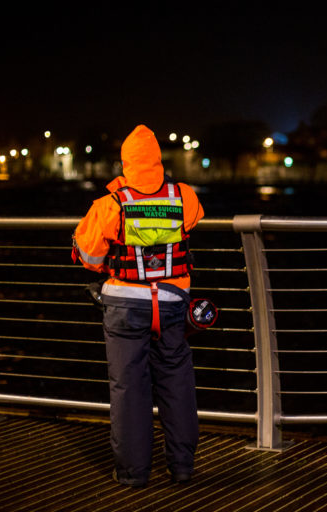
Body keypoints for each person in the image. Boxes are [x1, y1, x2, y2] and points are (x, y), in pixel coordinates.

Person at [72, 124, 204, 486]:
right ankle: (182, 467)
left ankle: (133, 474)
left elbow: (87, 254)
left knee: (129, 387)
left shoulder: (110, 205)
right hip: (174, 303)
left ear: (126, 163)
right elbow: (191, 222)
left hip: (126, 304)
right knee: (177, 382)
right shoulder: (185, 196)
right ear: (159, 161)